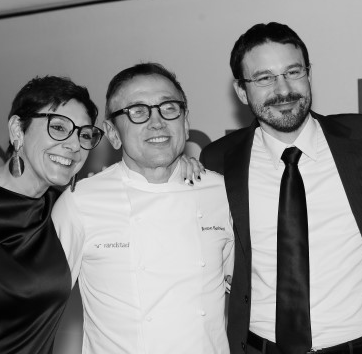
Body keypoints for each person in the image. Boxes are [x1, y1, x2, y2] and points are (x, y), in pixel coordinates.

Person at [200, 22, 362, 354]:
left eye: (293, 72)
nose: (283, 90)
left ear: (309, 74)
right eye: (264, 78)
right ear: (241, 91)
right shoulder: (218, 159)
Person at [52, 62, 234, 353]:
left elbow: (243, 288)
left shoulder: (222, 193)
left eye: (169, 108)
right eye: (137, 112)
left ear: (186, 122)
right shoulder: (80, 203)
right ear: (113, 133)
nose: (157, 122)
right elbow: (39, 308)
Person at [0, 76, 103, 353]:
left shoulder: (63, 209)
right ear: (18, 129)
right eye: (59, 127)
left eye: (84, 134)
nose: (74, 145)